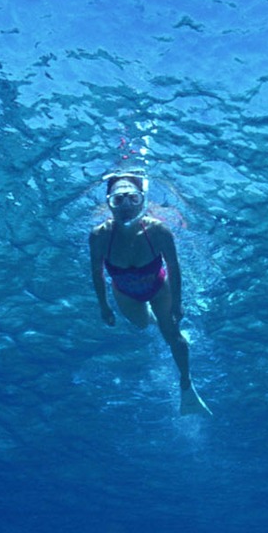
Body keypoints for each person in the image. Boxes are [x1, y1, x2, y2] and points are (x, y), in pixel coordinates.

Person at [88, 173, 212, 416]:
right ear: (109, 203)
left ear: (142, 201)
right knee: (143, 324)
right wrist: (104, 305)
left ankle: (187, 386)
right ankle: (158, 319)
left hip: (159, 288)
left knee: (173, 337)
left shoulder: (158, 231)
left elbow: (174, 268)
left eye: (132, 199)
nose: (125, 206)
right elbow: (96, 271)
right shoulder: (100, 235)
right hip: (125, 293)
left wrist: (177, 303)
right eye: (118, 200)